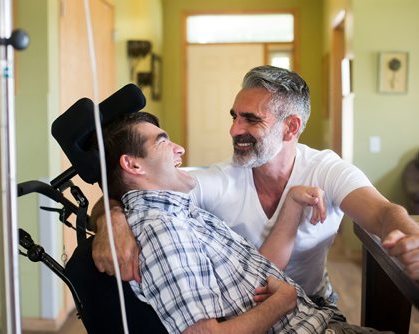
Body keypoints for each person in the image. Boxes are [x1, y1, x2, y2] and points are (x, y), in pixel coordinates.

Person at [92, 65, 419, 309]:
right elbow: (134, 188)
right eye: (234, 116)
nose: (234, 130)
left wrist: (411, 237)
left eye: (251, 119)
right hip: (244, 312)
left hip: (314, 304)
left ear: (290, 127)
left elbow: (384, 213)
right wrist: (111, 219)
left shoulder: (326, 170)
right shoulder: (220, 179)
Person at [99, 111, 372, 334]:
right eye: (162, 142)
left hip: (315, 317)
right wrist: (282, 302)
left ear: (291, 127)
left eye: (252, 119)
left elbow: (254, 282)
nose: (180, 149)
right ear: (133, 166)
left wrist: (291, 203)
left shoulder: (182, 211)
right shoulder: (163, 229)